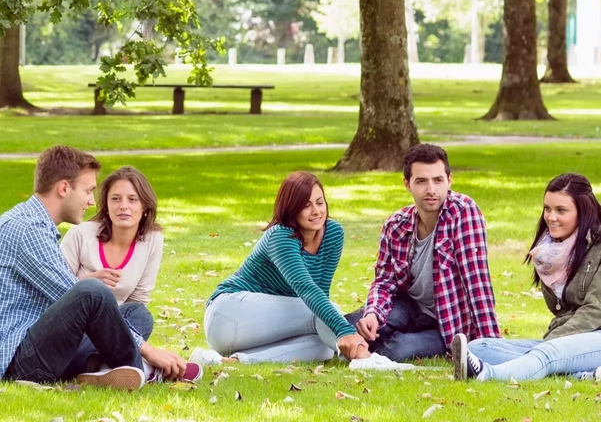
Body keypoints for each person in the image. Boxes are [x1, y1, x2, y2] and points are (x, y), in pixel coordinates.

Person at [0, 145, 199, 390]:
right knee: (93, 291)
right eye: (88, 191)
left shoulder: (31, 223)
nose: (91, 201)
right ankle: (143, 369)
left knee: (136, 314)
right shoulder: (27, 231)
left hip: (43, 343)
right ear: (64, 188)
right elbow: (72, 293)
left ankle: (102, 370)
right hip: (20, 361)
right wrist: (148, 350)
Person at [191, 171, 372, 366]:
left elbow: (321, 292)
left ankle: (229, 362)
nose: (316, 211)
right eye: (306, 206)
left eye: (320, 202)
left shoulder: (333, 233)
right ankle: (368, 360)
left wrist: (336, 330)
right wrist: (345, 331)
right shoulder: (280, 237)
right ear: (291, 208)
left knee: (325, 346)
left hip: (262, 330)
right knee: (327, 317)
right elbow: (306, 288)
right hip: (228, 314)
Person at [347, 143, 500, 361]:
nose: (431, 190)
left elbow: (477, 283)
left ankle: (379, 347)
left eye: (438, 180)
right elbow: (384, 282)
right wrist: (372, 312)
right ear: (407, 184)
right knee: (353, 327)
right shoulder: (396, 225)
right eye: (421, 181)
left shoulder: (464, 213)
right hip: (410, 306)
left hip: (448, 319)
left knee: (398, 350)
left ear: (449, 180)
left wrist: (491, 348)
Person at [453, 172, 601, 381]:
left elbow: (595, 311)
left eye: (561, 210)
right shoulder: (551, 251)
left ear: (583, 212)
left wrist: (552, 342)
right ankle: (578, 373)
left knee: (548, 353)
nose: (551, 217)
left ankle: (485, 374)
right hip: (567, 338)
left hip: (594, 335)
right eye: (547, 208)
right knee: (478, 346)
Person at [60, 166, 164, 377]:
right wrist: (88, 282)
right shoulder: (80, 235)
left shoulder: (153, 239)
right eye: (115, 199)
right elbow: (54, 291)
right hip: (75, 334)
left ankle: (103, 368)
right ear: (106, 205)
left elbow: (137, 300)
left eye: (132, 199)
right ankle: (120, 367)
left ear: (145, 207)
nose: (123, 206)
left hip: (114, 329)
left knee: (141, 315)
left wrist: (113, 329)